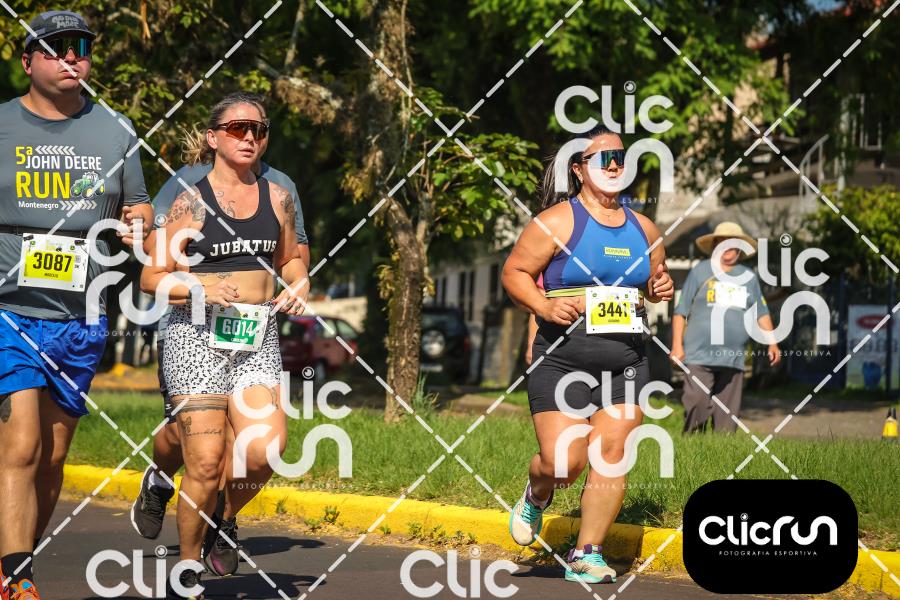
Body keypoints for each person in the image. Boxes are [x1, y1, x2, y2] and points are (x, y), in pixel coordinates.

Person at [0, 11, 151, 600]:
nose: (71, 57)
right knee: (22, 445)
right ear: (27, 60)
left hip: (81, 313)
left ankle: (12, 561)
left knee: (53, 456)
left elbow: (137, 204)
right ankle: (19, 580)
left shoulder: (116, 130)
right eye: (56, 47)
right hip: (9, 308)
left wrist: (138, 224)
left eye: (80, 47)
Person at [130, 94, 310, 578]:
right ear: (213, 138)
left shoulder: (279, 197)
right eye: (237, 128)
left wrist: (300, 281)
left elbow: (290, 259)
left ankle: (224, 520)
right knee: (207, 462)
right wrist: (198, 286)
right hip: (195, 337)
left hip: (256, 336)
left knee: (265, 449)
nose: (249, 136)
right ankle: (187, 571)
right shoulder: (190, 201)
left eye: (258, 129)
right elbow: (151, 277)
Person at [502, 125, 674, 584]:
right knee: (564, 463)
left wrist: (660, 287)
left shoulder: (645, 228)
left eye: (621, 157)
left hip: (626, 360)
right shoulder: (557, 221)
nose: (616, 164)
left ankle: (586, 553)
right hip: (563, 358)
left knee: (612, 452)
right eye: (604, 158)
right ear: (579, 169)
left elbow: (655, 283)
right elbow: (515, 272)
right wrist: (542, 306)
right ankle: (537, 493)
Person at [669, 221, 781, 433]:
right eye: (723, 242)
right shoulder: (700, 272)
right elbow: (680, 311)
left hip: (733, 357)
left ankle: (722, 449)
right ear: (715, 245)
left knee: (727, 420)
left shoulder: (749, 278)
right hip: (698, 355)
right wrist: (677, 346)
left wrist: (772, 343)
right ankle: (692, 443)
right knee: (697, 403)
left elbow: (761, 313)